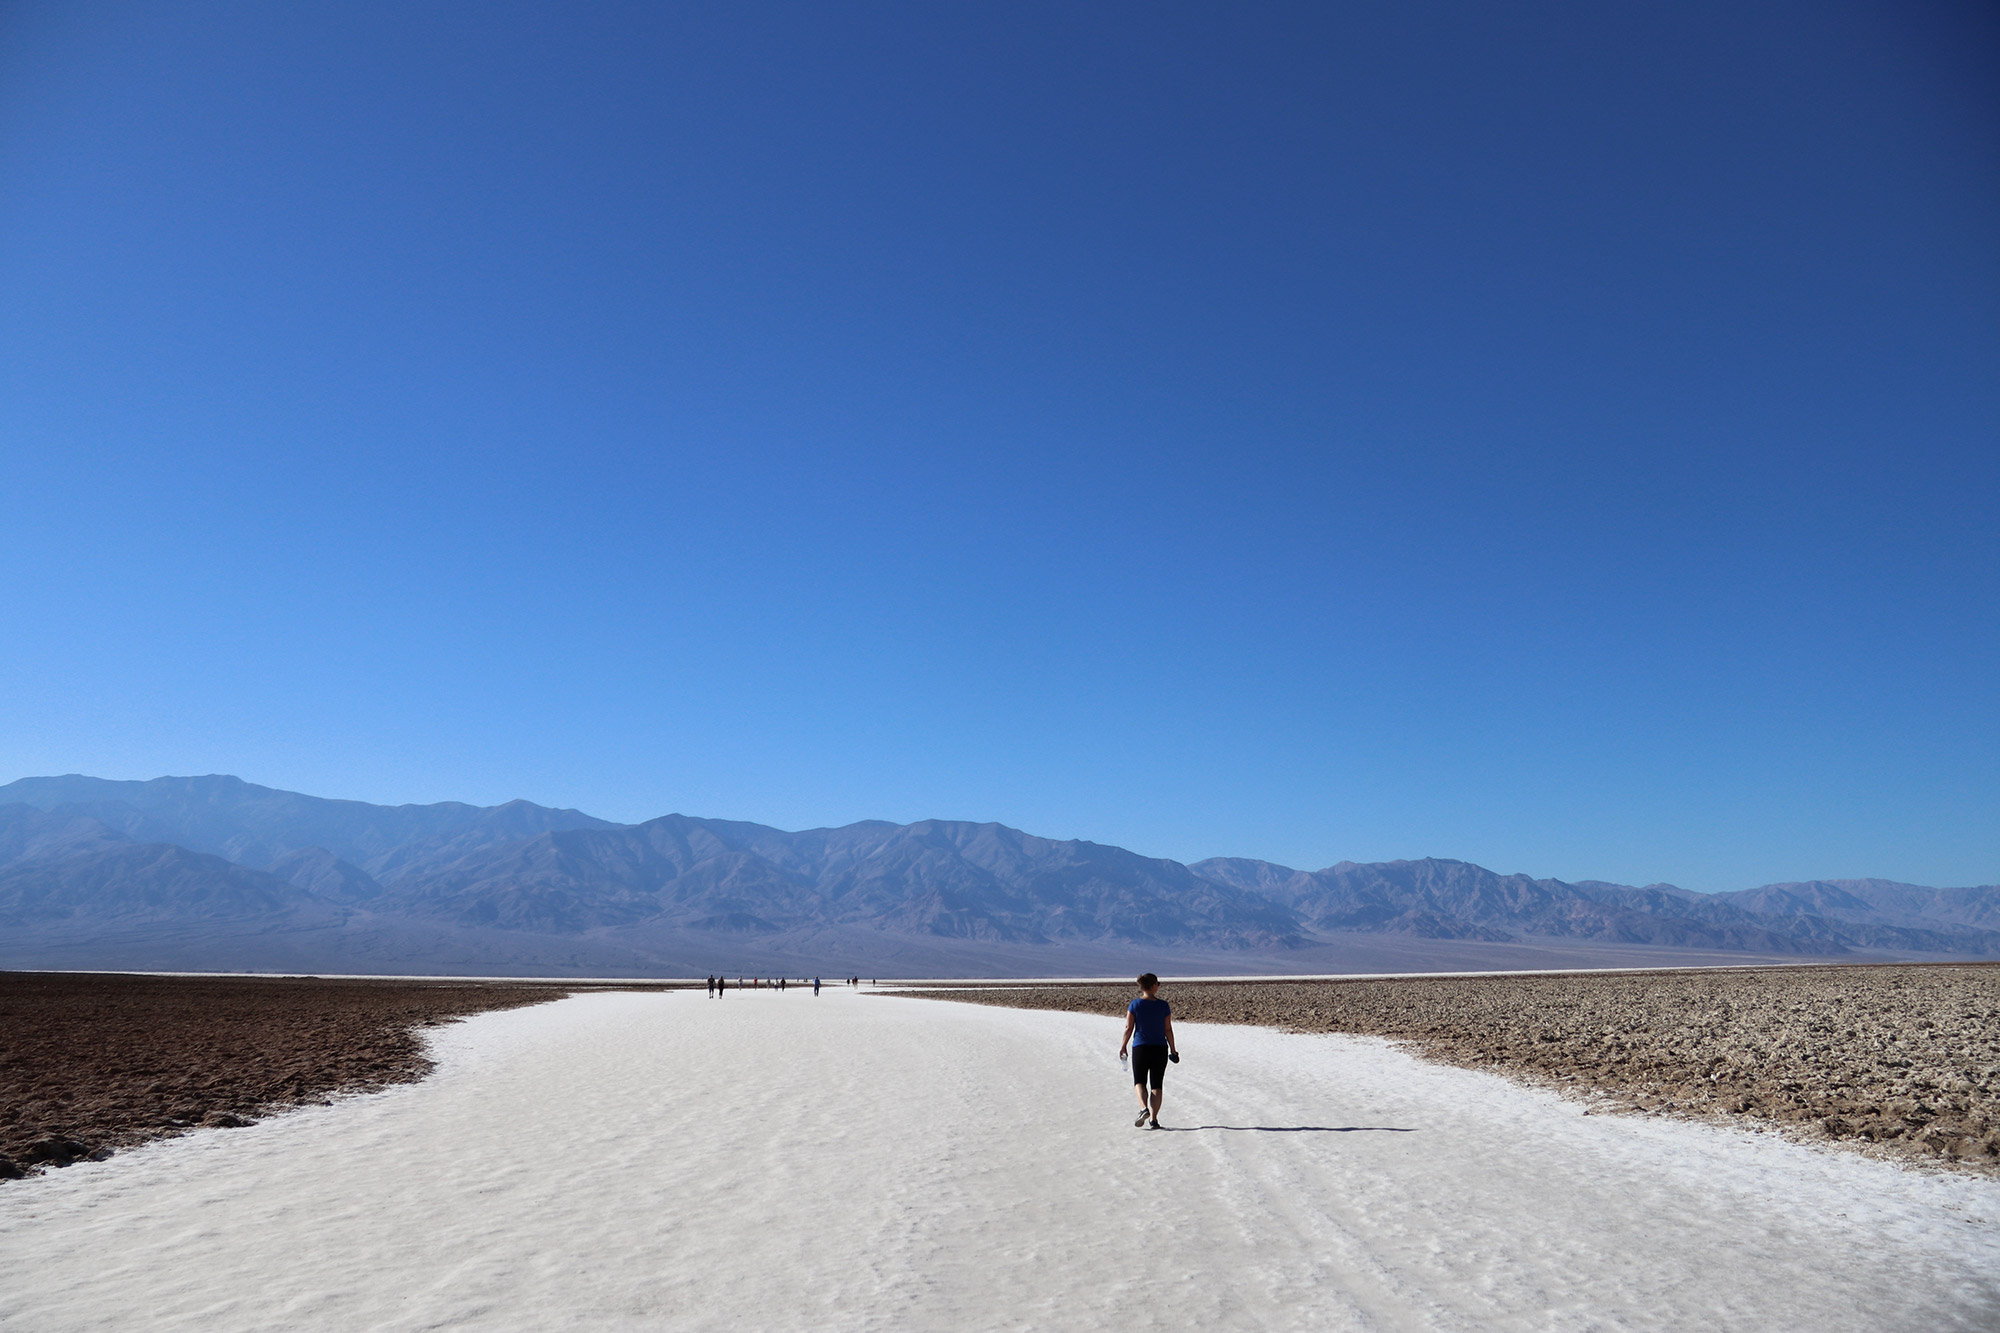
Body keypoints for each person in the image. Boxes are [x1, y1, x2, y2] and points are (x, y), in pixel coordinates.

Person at [1118, 973, 1177, 1129]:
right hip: (1160, 1048)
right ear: (1152, 986)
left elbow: (1128, 1028)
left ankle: (1143, 1108)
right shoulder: (1163, 1006)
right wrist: (1173, 1049)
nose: (1158, 985)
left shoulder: (1135, 1005)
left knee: (1139, 1081)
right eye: (1157, 983)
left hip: (1140, 1047)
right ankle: (1154, 1119)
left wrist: (1123, 1045)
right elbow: (1168, 1029)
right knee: (1156, 1085)